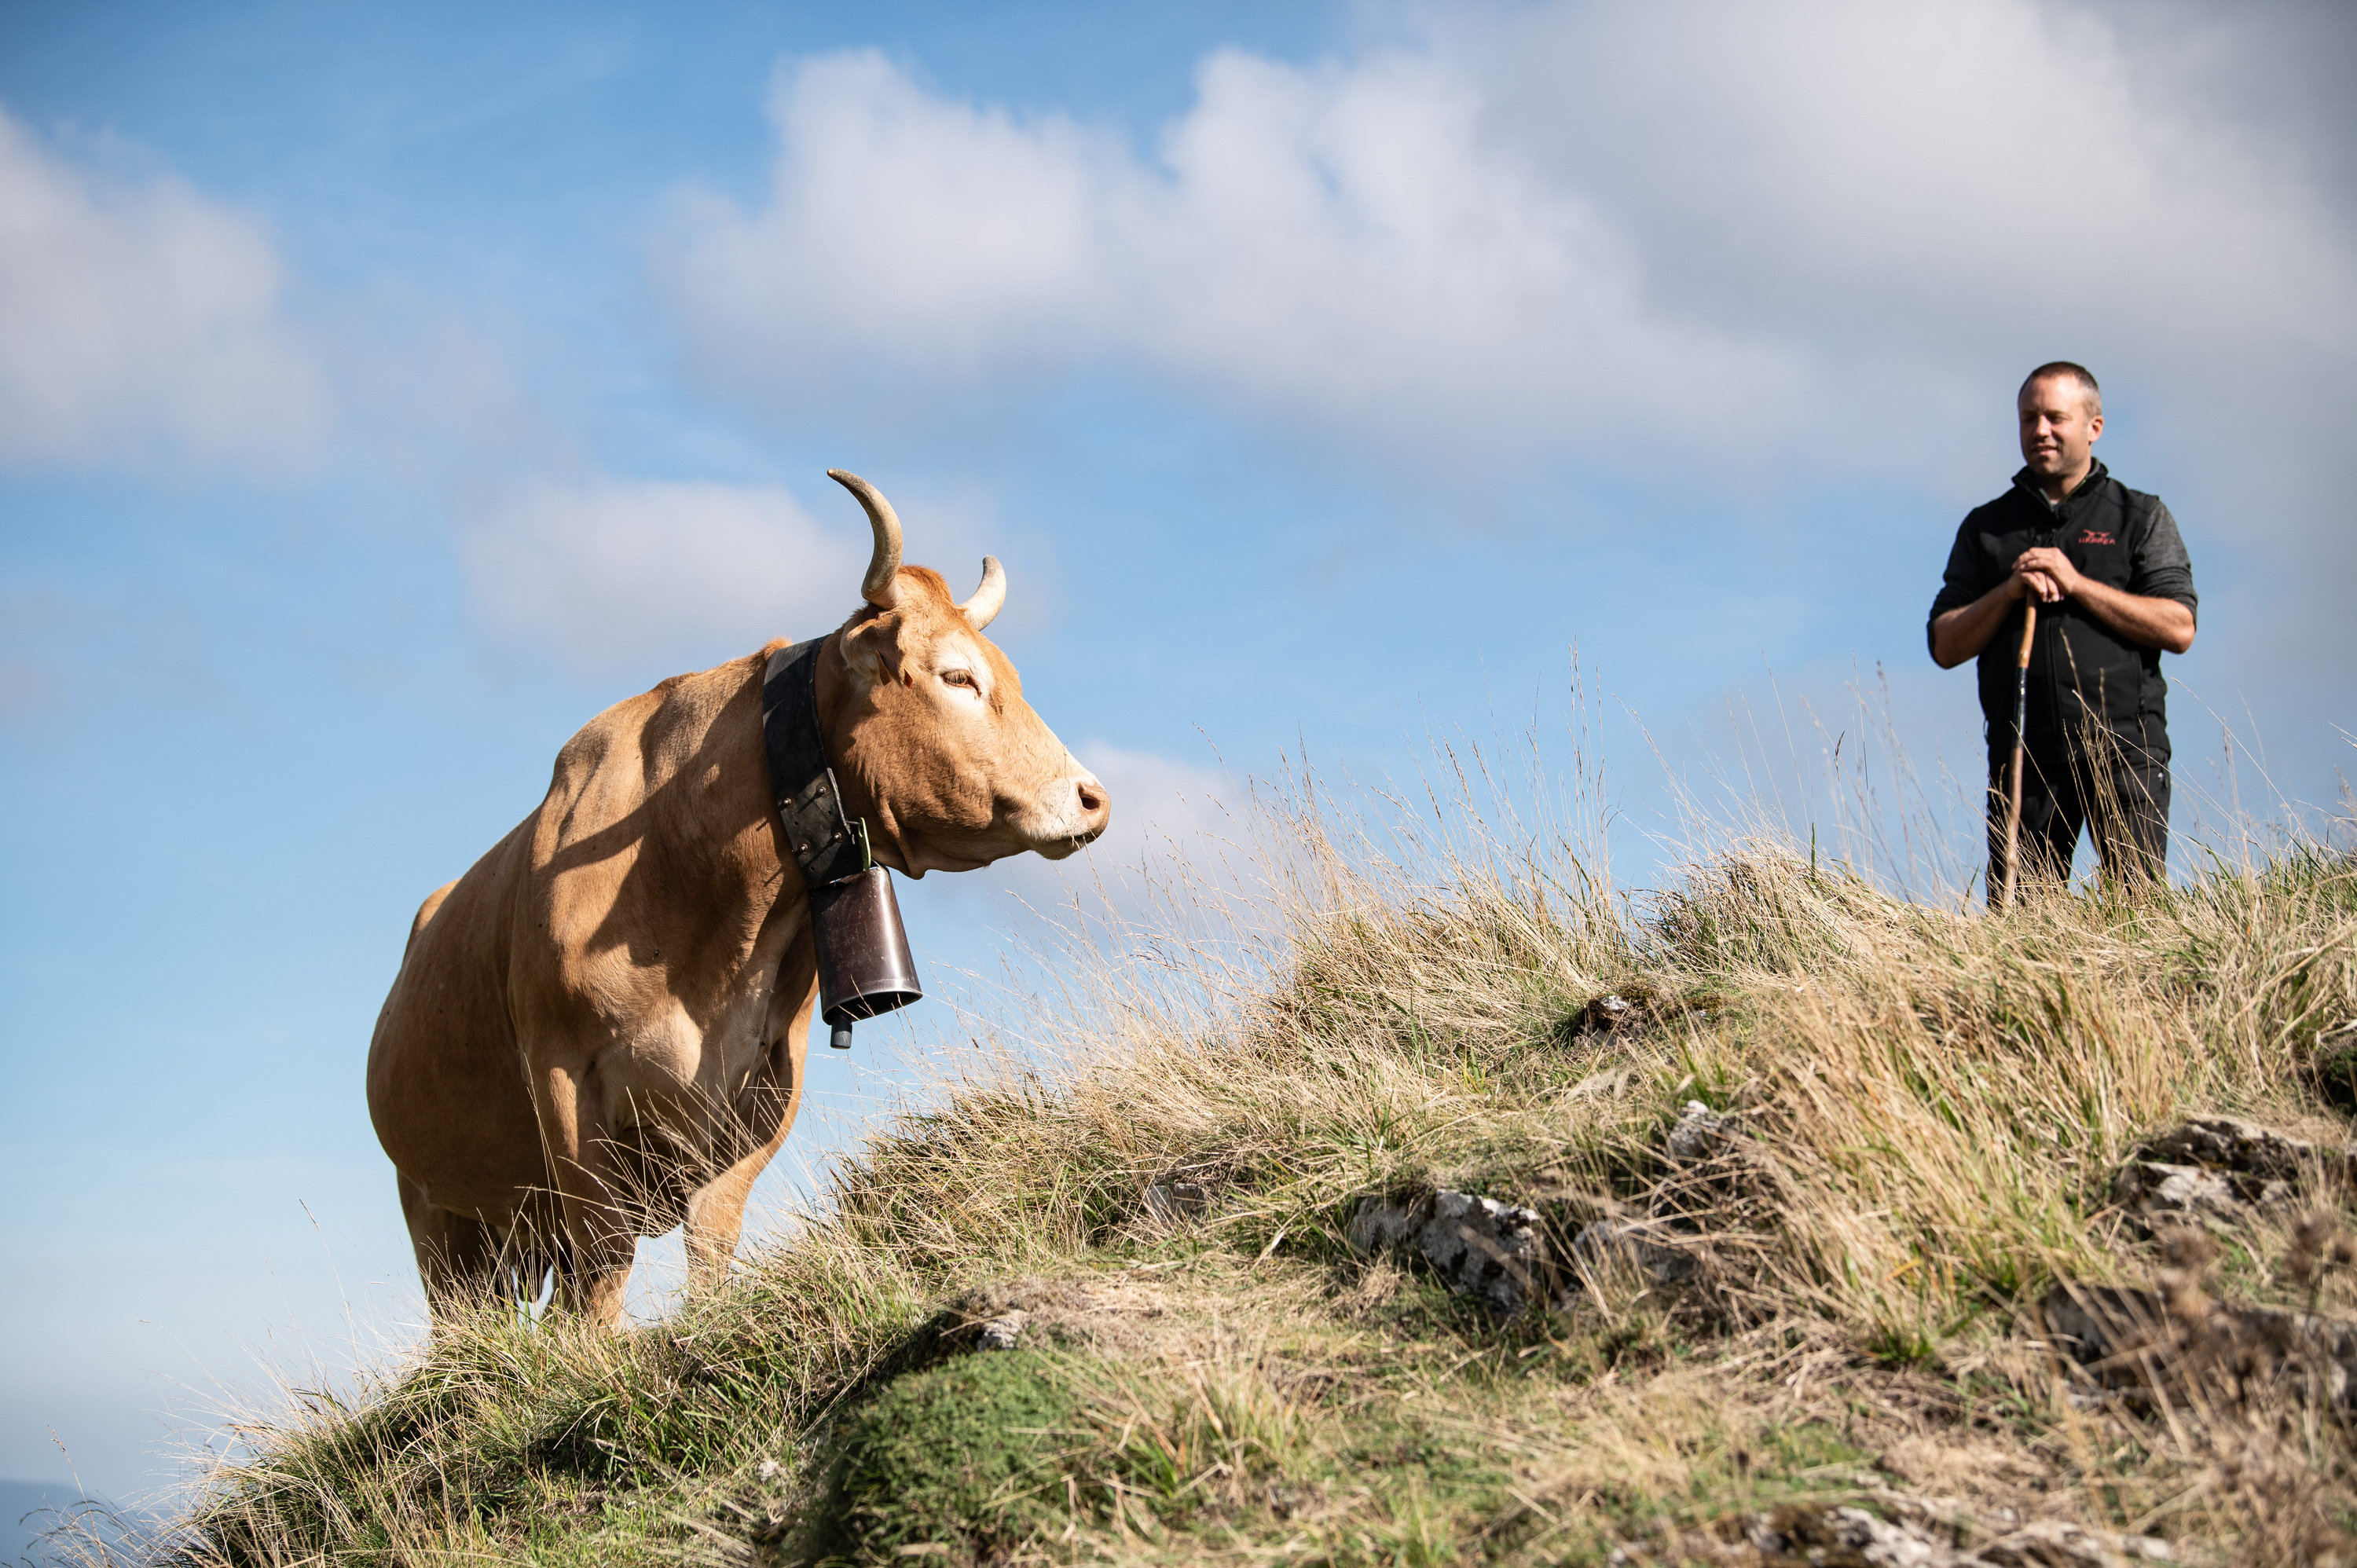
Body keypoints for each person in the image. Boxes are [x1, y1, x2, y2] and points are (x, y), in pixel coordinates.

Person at [1928, 363, 2198, 901]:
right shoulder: (1987, 528)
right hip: (2024, 754)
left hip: (2125, 750)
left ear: (2093, 426)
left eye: (2056, 417)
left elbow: (2179, 625)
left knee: (2138, 912)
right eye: (2029, 418)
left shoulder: (2139, 515)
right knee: (2021, 920)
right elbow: (1944, 643)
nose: (2041, 430)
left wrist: (2076, 584)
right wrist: (2007, 591)